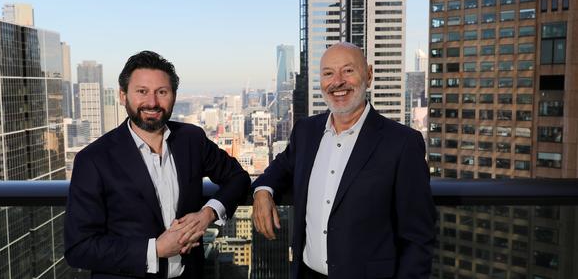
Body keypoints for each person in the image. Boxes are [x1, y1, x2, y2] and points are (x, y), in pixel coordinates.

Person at [252, 42, 435, 279]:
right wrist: (263, 192)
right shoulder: (306, 131)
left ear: (368, 75)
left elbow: (418, 238)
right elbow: (280, 168)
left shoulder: (402, 143)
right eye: (328, 73)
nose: (337, 82)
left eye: (348, 71)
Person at [65, 51, 250, 278]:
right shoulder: (93, 159)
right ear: (123, 96)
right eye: (142, 91)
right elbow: (79, 249)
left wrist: (208, 213)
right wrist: (154, 250)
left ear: (173, 96)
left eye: (162, 92)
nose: (152, 102)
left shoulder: (191, 139)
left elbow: (238, 177)